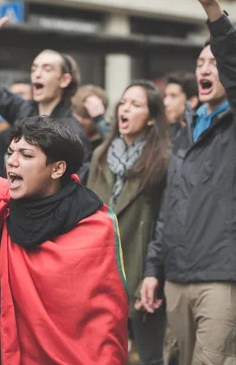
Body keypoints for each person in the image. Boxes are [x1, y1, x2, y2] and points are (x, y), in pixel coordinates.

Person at [0, 27, 128, 364]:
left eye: (26, 155)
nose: (11, 161)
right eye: (11, 152)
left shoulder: (98, 225)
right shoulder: (5, 199)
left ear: (57, 169)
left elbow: (108, 322)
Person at [140, 0, 236, 364]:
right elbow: (170, 210)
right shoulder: (183, 132)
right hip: (177, 276)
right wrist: (153, 269)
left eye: (214, 63)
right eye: (200, 62)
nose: (205, 68)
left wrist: (211, 6)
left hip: (225, 275)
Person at [87, 80, 170, 365]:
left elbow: (164, 223)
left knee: (150, 356)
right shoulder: (101, 155)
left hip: (142, 269)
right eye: (123, 103)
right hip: (99, 269)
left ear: (150, 118)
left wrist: (153, 273)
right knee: (102, 353)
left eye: (135, 105)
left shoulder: (163, 160)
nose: (125, 109)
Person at [0, 0, 92, 181]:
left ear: (65, 80)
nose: (37, 74)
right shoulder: (22, 109)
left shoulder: (72, 131)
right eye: (34, 68)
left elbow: (76, 185)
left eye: (47, 69)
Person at [163, 72, 198, 153]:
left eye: (173, 96)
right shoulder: (168, 134)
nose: (165, 102)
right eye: (165, 96)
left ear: (192, 101)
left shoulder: (201, 135)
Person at [72, 84, 110, 152]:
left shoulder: (105, 136)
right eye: (78, 115)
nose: (80, 121)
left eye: (85, 117)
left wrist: (99, 119)